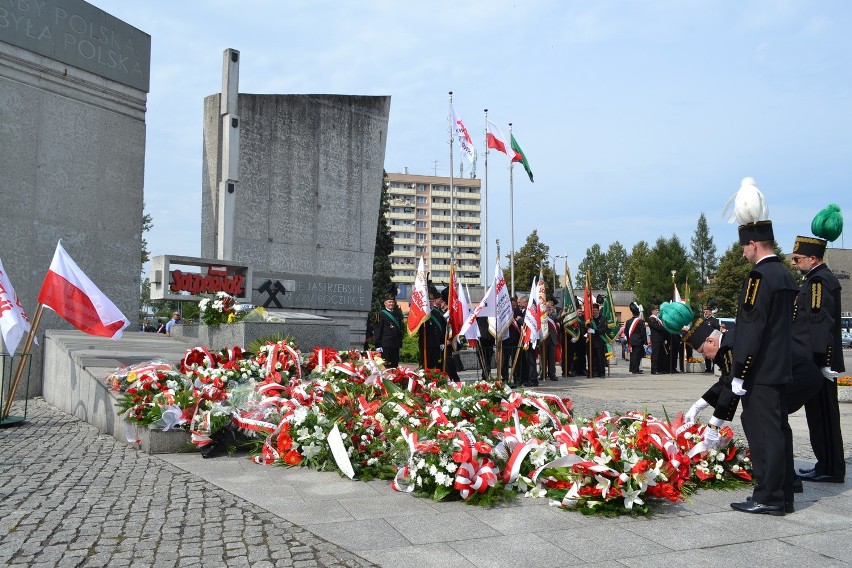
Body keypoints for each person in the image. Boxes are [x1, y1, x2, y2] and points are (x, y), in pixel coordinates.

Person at [681, 317, 823, 509]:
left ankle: (772, 491)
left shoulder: (728, 347)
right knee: (773, 425)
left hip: (798, 378)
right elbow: (726, 381)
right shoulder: (729, 341)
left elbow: (731, 385)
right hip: (801, 376)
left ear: (711, 341)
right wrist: (698, 406)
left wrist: (714, 425)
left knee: (761, 423)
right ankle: (786, 482)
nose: (704, 357)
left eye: (702, 352)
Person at [726, 177, 799, 516]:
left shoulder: (758, 278)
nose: (742, 253)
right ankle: (782, 493)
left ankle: (768, 496)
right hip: (781, 367)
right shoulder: (785, 275)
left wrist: (739, 372)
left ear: (753, 244)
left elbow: (751, 330)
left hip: (761, 372)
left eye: (744, 247)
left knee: (763, 433)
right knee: (779, 430)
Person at [791, 204, 846, 484]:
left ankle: (830, 467)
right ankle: (828, 464)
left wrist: (822, 363)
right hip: (817, 361)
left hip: (817, 362)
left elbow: (819, 324)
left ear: (813, 258)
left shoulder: (817, 282)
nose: (794, 262)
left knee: (823, 416)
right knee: (821, 415)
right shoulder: (818, 279)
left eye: (798, 258)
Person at [373, 291, 404, 368]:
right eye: (389, 302)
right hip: (385, 345)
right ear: (385, 303)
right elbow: (378, 330)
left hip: (395, 345)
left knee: (394, 366)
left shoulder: (397, 314)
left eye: (393, 302)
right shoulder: (381, 314)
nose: (391, 304)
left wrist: (400, 345)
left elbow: (400, 331)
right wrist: (378, 345)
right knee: (385, 366)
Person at [623, 301, 647, 374]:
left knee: (633, 355)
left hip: (631, 340)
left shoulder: (628, 321)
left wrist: (628, 340)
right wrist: (645, 341)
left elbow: (626, 331)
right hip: (638, 341)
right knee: (637, 355)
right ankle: (635, 369)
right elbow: (643, 332)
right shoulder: (640, 321)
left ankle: (632, 368)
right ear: (638, 313)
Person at [586, 303, 607, 378]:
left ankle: (601, 373)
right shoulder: (589, 320)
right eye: (593, 310)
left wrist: (595, 331)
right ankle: (591, 372)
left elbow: (604, 329)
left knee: (600, 358)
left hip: (599, 342)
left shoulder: (603, 319)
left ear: (598, 311)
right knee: (590, 358)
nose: (594, 312)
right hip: (590, 342)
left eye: (596, 310)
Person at [648, 305, 668, 374]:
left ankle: (660, 369)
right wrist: (665, 328)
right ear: (652, 311)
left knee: (661, 355)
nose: (657, 311)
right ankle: (654, 370)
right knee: (655, 355)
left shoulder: (658, 319)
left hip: (660, 339)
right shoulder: (652, 319)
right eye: (656, 310)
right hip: (656, 339)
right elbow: (657, 327)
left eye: (658, 310)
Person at [543, 301, 561, 381]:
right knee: (542, 359)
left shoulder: (553, 316)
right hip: (543, 339)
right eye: (548, 307)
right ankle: (543, 374)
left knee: (551, 359)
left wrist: (561, 315)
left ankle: (552, 375)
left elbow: (557, 320)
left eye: (551, 307)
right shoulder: (542, 315)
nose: (549, 309)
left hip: (552, 339)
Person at [702, 302, 720, 373]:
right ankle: (708, 368)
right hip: (705, 340)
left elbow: (717, 330)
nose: (705, 313)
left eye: (707, 311)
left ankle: (713, 368)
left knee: (713, 354)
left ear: (710, 312)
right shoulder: (704, 321)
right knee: (706, 355)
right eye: (705, 311)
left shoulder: (714, 320)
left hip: (712, 340)